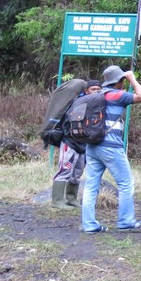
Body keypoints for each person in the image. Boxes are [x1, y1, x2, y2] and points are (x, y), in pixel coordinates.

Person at [81, 66, 141, 233]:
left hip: (91, 146)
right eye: (123, 81)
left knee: (91, 186)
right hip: (110, 147)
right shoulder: (117, 95)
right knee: (126, 183)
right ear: (118, 81)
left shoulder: (95, 95)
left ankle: (89, 225)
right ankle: (126, 221)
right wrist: (132, 79)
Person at [51, 79, 102, 209]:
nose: (96, 92)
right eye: (93, 89)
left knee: (77, 173)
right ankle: (57, 201)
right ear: (86, 91)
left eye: (98, 89)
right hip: (70, 142)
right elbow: (71, 124)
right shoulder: (79, 103)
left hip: (84, 145)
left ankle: (71, 199)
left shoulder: (97, 106)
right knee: (65, 169)